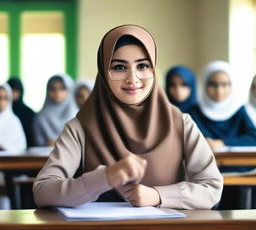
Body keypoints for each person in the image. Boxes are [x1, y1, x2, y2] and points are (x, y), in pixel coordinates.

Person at [33, 25, 223, 209]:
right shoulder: (80, 127)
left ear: (154, 70)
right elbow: (42, 191)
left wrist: (158, 196)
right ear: (104, 73)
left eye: (142, 65)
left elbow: (211, 188)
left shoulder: (180, 123)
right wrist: (104, 178)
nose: (132, 78)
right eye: (119, 67)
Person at [188, 61, 256, 151]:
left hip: (236, 163)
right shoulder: (193, 112)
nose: (219, 90)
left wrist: (222, 142)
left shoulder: (239, 110)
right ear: (204, 84)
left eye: (224, 84)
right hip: (201, 163)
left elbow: (253, 138)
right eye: (213, 84)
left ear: (232, 85)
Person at [33, 74, 78, 146]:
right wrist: (46, 143)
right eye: (53, 89)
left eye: (62, 88)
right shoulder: (41, 117)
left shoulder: (77, 115)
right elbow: (37, 142)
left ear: (70, 90)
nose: (57, 93)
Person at [7, 77, 36, 147]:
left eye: (16, 91)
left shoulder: (29, 113)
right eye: (11, 91)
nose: (14, 94)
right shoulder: (3, 112)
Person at [0, 83, 26, 152]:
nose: (1, 102)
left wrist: (5, 148)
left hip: (8, 161)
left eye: (5, 98)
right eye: (0, 98)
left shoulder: (14, 121)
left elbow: (21, 145)